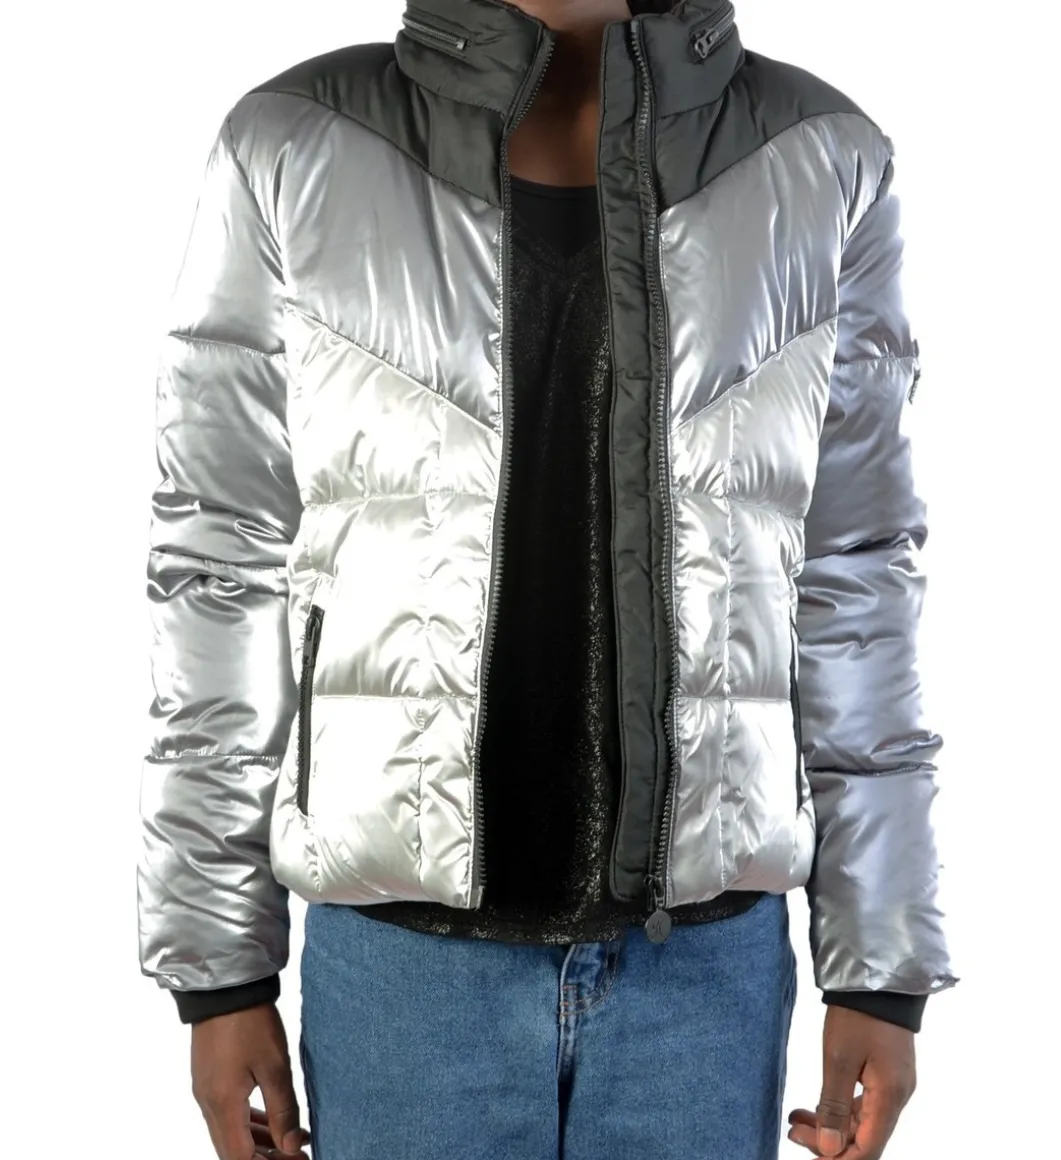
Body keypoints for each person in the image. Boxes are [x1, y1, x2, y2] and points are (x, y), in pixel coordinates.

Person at [138, 2, 956, 1157]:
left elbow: (855, 573)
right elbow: (218, 560)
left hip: (701, 982)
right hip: (403, 976)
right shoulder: (295, 145)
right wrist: (218, 969)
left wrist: (878, 965)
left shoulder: (818, 157)